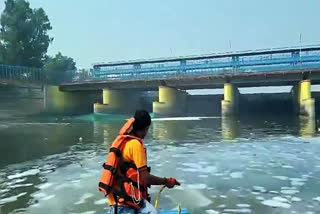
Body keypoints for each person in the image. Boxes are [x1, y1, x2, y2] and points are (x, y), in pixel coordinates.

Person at [99, 110, 180, 214]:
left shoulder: (122, 141)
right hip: (123, 203)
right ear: (146, 128)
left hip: (125, 198)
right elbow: (145, 177)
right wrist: (166, 181)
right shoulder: (135, 144)